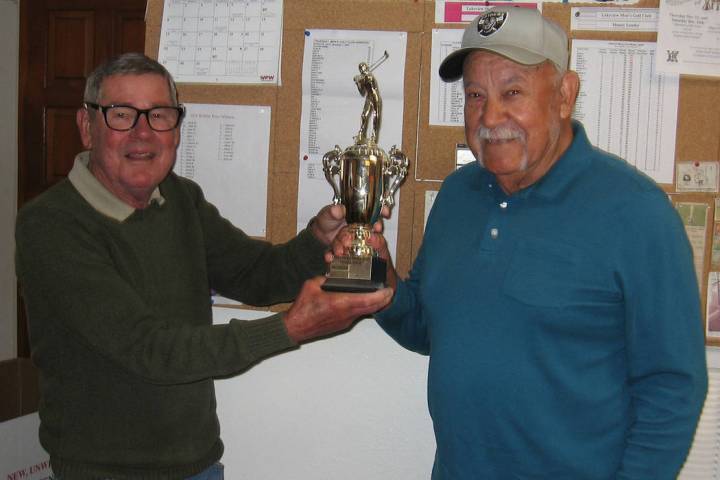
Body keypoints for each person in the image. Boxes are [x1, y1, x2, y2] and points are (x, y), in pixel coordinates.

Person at [14, 53, 392, 479]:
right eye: (122, 115)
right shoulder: (50, 225)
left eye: (160, 115)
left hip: (198, 464)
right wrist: (291, 328)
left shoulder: (180, 199)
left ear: (176, 129)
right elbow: (149, 350)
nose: (143, 133)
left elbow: (257, 275)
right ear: (87, 127)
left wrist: (317, 240)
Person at [371, 7, 708, 479]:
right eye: (475, 95)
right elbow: (429, 329)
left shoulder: (638, 214)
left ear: (565, 95)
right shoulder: (456, 196)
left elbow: (672, 387)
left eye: (513, 92)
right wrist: (380, 280)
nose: (491, 116)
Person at [354, 61, 382, 143]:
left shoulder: (369, 76)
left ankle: (374, 136)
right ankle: (361, 134)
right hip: (368, 97)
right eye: (360, 68)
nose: (361, 69)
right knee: (364, 115)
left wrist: (360, 79)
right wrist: (358, 84)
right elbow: (362, 92)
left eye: (362, 67)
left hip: (374, 96)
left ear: (365, 67)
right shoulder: (363, 78)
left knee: (376, 116)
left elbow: (368, 79)